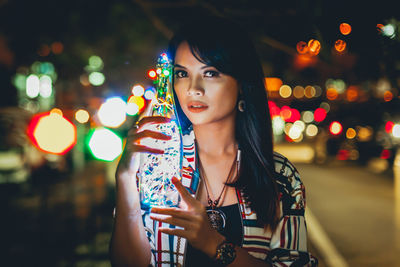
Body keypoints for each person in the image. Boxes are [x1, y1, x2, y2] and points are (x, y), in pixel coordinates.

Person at [109, 15, 318, 267]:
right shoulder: (156, 167)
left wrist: (213, 243)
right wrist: (125, 178)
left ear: (242, 84)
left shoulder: (280, 177)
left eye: (210, 73)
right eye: (182, 73)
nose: (193, 88)